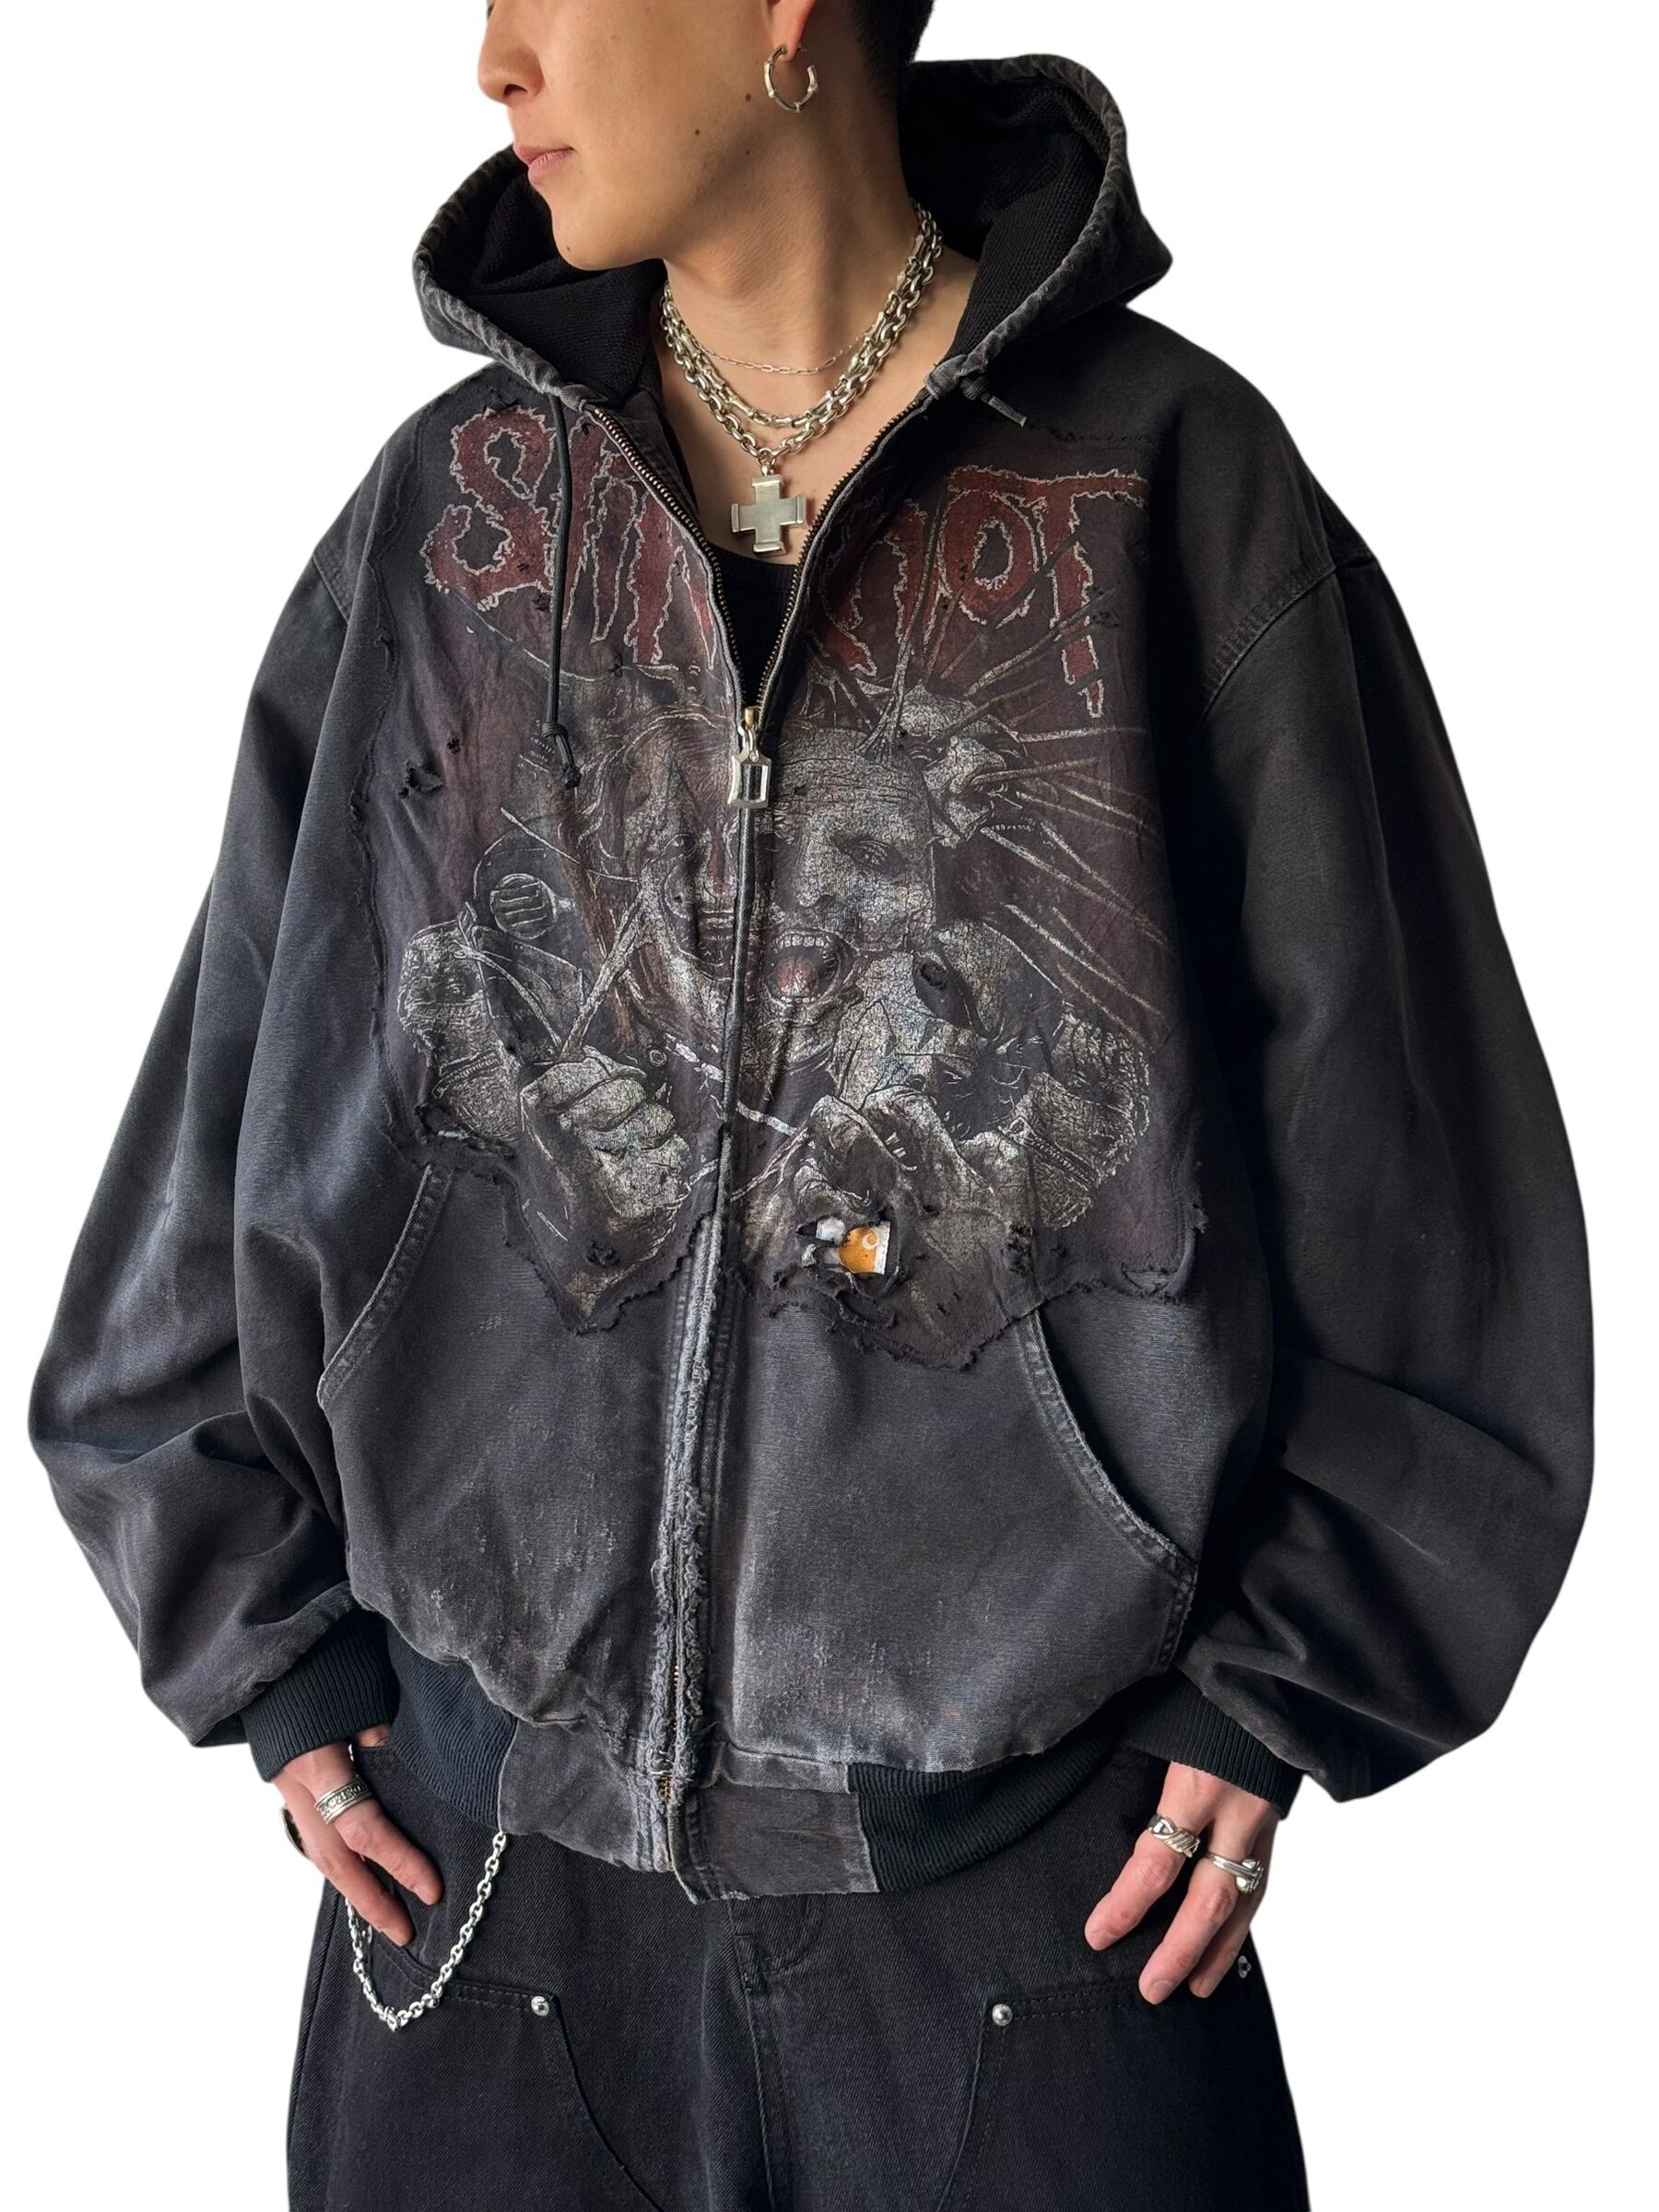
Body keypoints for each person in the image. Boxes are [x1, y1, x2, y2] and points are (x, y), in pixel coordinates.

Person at [27, 4, 1594, 2206]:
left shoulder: (1175, 492)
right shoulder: (453, 517)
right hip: (485, 1902)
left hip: (1040, 1916)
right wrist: (267, 1653)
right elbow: (229, 1124)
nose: (495, 60)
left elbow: (1421, 1184)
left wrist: (1286, 1685)